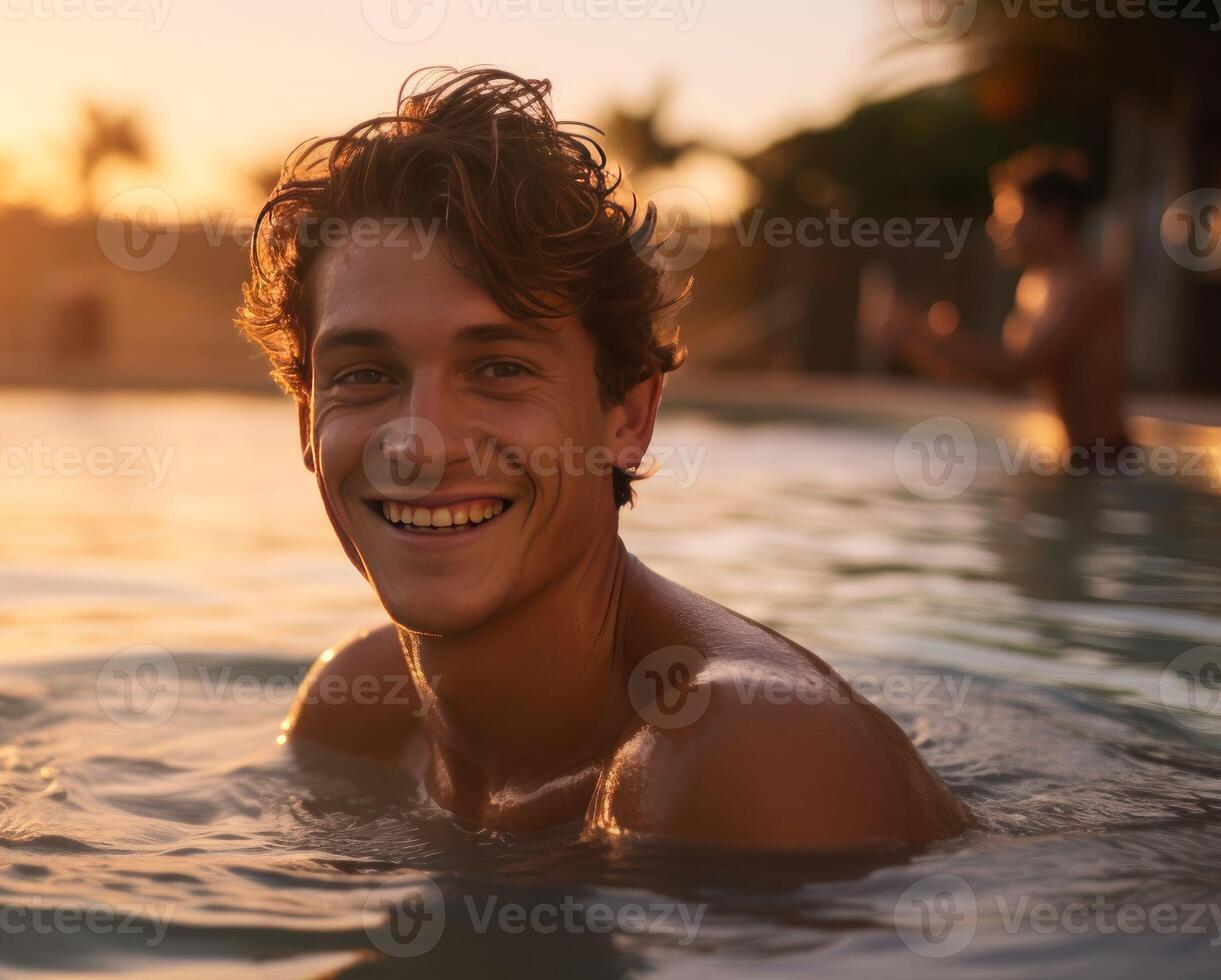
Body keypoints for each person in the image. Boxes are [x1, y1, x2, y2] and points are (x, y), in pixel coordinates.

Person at [236, 69, 969, 850]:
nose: (418, 445)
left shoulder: (738, 748)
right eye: (366, 375)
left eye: (499, 370)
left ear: (626, 417)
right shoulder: (359, 712)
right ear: (308, 422)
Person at [884, 148, 1131, 459]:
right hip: (1075, 458)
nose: (996, 227)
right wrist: (917, 343)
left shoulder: (1085, 285)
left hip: (1108, 460)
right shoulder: (1035, 285)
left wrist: (923, 331)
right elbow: (1002, 381)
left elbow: (1014, 370)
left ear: (1054, 217)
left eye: (1010, 215)